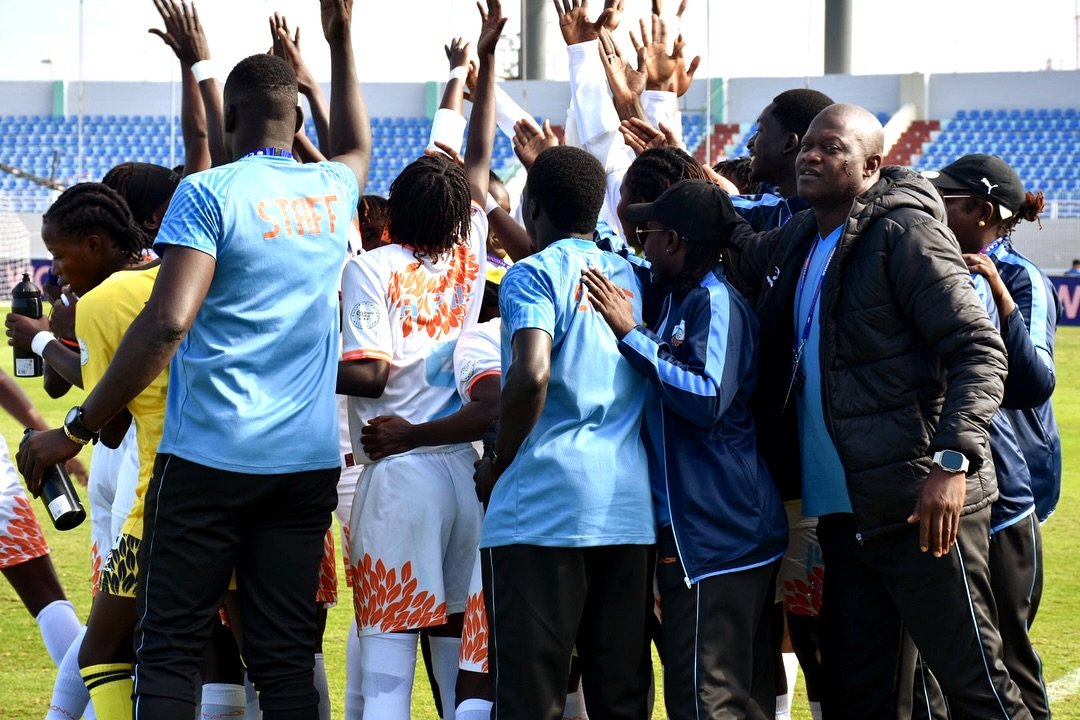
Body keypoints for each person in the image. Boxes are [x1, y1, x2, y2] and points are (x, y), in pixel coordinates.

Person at [15, 0, 371, 715]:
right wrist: (341, 42)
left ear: (231, 122)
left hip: (209, 459)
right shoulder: (335, 188)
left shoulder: (207, 193)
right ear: (298, 123)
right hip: (302, 464)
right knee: (282, 657)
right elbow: (357, 145)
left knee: (170, 647)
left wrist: (73, 429)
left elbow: (167, 324)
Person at [721, 103, 1029, 718]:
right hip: (848, 511)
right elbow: (740, 247)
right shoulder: (807, 232)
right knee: (866, 693)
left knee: (976, 686)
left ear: (871, 165)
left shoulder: (904, 232)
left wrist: (952, 462)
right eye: (808, 144)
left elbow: (978, 350)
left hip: (921, 505)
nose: (811, 155)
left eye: (831, 148)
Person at [335, 4, 502, 719]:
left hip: (396, 469)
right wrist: (484, 65)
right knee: (455, 644)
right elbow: (480, 158)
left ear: (393, 215)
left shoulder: (371, 268)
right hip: (461, 468)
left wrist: (295, 359)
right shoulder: (472, 256)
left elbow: (368, 371)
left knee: (386, 655)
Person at [582, 178, 787, 718]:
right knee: (731, 698)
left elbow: (708, 397)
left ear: (674, 241)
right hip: (710, 526)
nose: (641, 244)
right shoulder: (676, 294)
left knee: (705, 699)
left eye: (648, 233)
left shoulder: (715, 302)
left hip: (720, 530)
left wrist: (632, 334)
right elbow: (605, 245)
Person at [473, 144, 655, 720]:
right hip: (627, 507)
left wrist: (498, 461)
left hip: (542, 505)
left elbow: (530, 376)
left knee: (531, 693)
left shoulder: (531, 274)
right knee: (621, 690)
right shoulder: (635, 273)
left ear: (531, 209)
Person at [926, 153, 1060, 718]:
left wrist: (996, 295)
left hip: (1006, 491)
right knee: (949, 659)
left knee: (1007, 658)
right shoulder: (931, 265)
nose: (932, 209)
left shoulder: (1020, 277)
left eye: (945, 202)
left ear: (980, 211)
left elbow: (1034, 382)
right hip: (948, 485)